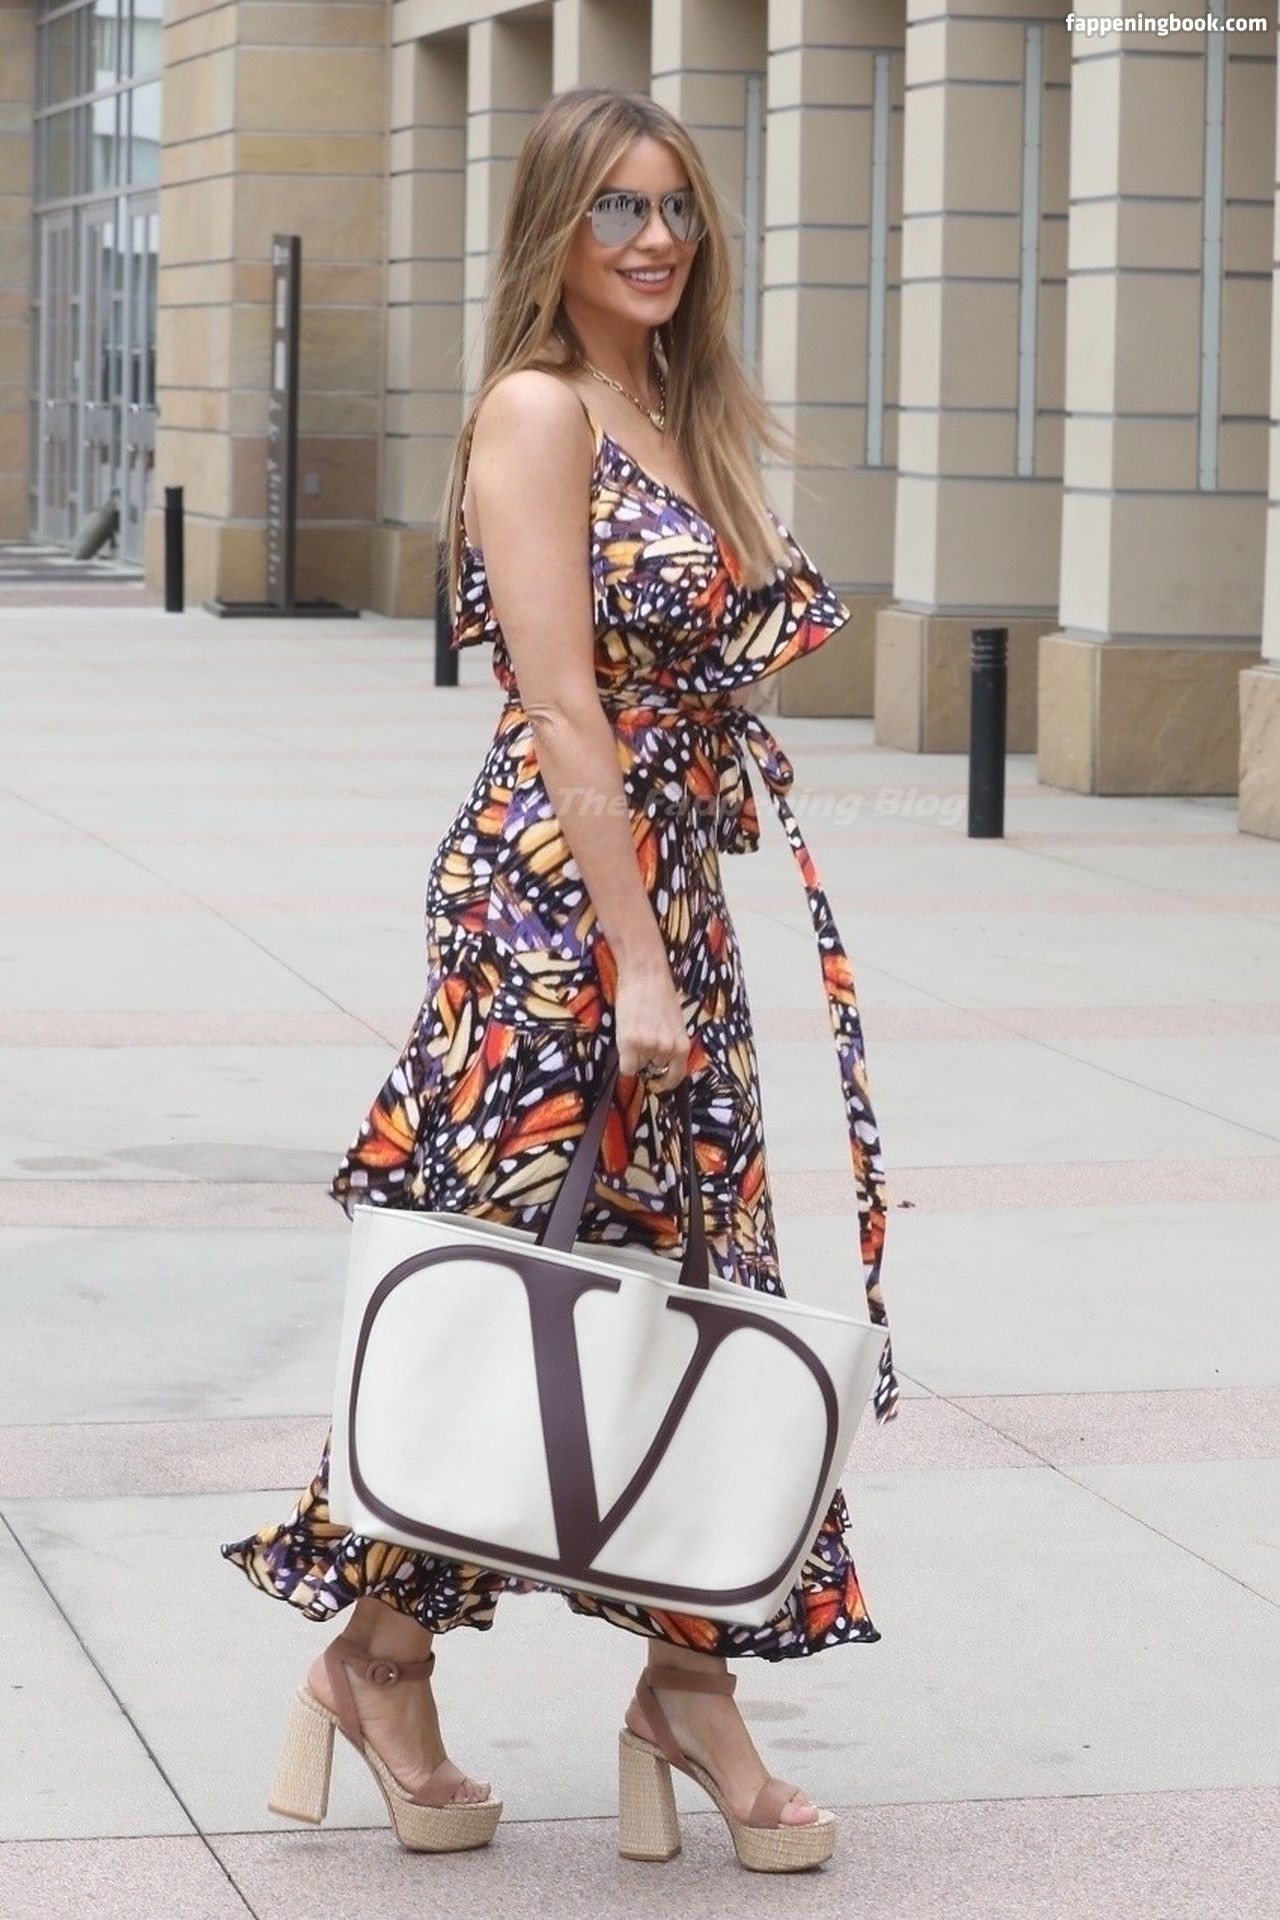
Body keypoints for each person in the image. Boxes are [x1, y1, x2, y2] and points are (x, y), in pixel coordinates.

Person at [222, 83, 898, 1874]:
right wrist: (636, 965)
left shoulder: (677, 405)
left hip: (665, 894)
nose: (656, 238)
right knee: (505, 1286)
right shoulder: (536, 408)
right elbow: (561, 704)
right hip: (556, 917)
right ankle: (381, 1663)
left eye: (675, 206)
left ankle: (684, 1685)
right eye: (617, 208)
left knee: (693, 1279)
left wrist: (676, 916)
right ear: (554, 229)